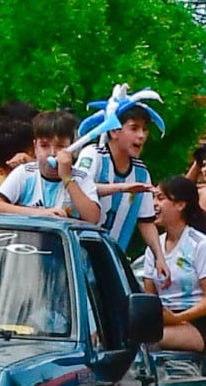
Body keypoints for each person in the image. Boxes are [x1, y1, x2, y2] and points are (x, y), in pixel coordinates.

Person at [70, 97, 166, 268]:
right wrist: (121, 188)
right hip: (77, 259)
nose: (141, 135)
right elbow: (77, 189)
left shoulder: (141, 173)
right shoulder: (93, 155)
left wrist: (160, 257)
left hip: (112, 264)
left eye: (145, 130)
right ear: (114, 131)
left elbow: (146, 221)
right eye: (134, 128)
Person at [139, 176, 206, 353]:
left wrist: (178, 318)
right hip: (164, 320)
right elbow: (150, 297)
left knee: (148, 343)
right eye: (153, 198)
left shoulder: (200, 244)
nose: (154, 204)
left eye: (161, 198)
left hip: (198, 322)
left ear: (181, 205)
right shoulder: (154, 247)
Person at [0, 109, 81, 212]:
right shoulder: (24, 173)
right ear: (35, 147)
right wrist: (41, 213)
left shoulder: (80, 177)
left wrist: (67, 178)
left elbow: (93, 218)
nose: (52, 153)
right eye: (44, 146)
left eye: (61, 146)